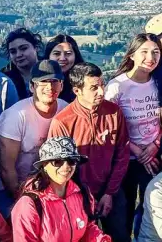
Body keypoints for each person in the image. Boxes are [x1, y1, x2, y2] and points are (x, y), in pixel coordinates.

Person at [49, 62, 131, 242]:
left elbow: (122, 154)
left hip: (112, 190)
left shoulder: (113, 112)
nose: (101, 91)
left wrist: (109, 193)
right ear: (77, 91)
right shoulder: (63, 122)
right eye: (94, 88)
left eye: (102, 85)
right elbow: (57, 169)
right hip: (77, 196)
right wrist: (82, 198)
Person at [0, 60, 69, 218]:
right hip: (2, 185)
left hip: (40, 184)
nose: (49, 87)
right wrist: (24, 201)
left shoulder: (65, 110)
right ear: (32, 86)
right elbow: (6, 168)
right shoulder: (16, 115)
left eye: (54, 81)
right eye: (43, 82)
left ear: (61, 85)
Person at [104, 34, 162, 238]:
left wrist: (155, 146)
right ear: (131, 55)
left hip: (154, 157)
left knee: (152, 209)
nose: (151, 57)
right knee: (124, 212)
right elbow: (110, 126)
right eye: (144, 52)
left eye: (156, 52)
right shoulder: (116, 86)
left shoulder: (161, 82)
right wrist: (137, 151)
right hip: (125, 159)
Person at [11, 136, 110, 242]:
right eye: (57, 162)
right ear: (44, 165)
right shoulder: (28, 205)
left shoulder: (84, 194)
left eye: (71, 161)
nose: (66, 166)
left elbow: (88, 227)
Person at [2, 28, 42, 100]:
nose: (18, 55)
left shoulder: (51, 69)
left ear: (36, 48)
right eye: (13, 52)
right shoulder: (4, 78)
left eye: (23, 48)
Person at [44, 34, 83, 103]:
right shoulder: (40, 82)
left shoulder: (84, 81)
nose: (62, 58)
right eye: (56, 54)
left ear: (75, 55)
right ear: (48, 56)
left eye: (68, 53)